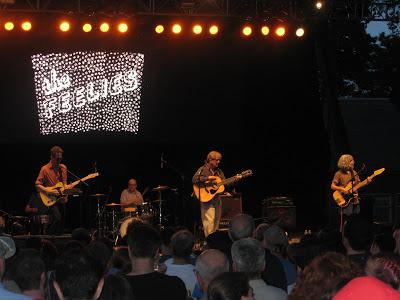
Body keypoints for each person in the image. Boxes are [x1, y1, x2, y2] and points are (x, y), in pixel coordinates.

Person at [192, 151, 239, 237]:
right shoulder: (203, 169)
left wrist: (234, 180)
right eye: (217, 160)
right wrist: (208, 178)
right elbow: (194, 179)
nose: (218, 162)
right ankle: (210, 243)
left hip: (217, 199)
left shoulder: (219, 172)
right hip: (206, 199)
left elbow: (225, 185)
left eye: (219, 160)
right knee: (209, 223)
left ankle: (214, 241)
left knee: (216, 222)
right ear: (210, 160)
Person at [35, 146, 71, 235]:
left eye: (60, 158)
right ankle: (47, 237)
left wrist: (66, 195)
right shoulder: (45, 169)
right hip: (51, 198)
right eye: (57, 159)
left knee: (62, 221)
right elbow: (37, 184)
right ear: (51, 157)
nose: (59, 161)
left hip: (61, 197)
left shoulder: (63, 168)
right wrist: (48, 191)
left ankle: (57, 241)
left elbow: (64, 184)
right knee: (57, 218)